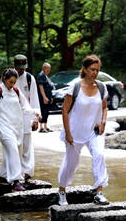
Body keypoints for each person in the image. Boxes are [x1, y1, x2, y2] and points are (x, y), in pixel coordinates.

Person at [57, 55, 110, 206]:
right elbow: (65, 110)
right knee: (71, 163)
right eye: (92, 69)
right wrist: (67, 132)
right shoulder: (75, 86)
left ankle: (99, 192)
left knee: (99, 155)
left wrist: (103, 122)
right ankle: (62, 190)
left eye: (97, 70)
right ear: (85, 69)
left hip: (94, 131)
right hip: (75, 131)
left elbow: (104, 107)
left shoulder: (101, 87)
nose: (95, 73)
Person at [13, 54, 41, 185]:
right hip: (11, 117)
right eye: (18, 68)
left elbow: (34, 98)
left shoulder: (30, 78)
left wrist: (35, 119)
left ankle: (28, 174)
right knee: (13, 147)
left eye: (22, 68)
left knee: (27, 147)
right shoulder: (7, 77)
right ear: (14, 66)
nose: (20, 71)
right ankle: (14, 175)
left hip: (26, 117)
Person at [37, 62, 55, 133]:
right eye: (46, 68)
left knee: (47, 112)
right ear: (43, 68)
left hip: (48, 97)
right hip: (42, 98)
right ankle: (41, 127)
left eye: (49, 68)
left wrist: (50, 97)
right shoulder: (41, 76)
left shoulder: (46, 76)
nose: (48, 70)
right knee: (43, 111)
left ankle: (46, 126)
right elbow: (41, 87)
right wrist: (44, 97)